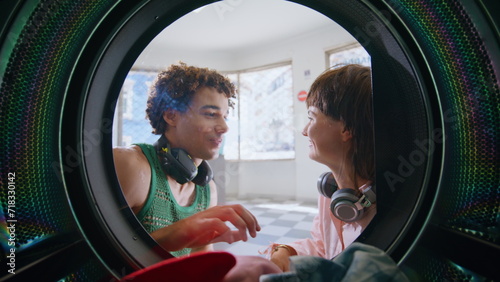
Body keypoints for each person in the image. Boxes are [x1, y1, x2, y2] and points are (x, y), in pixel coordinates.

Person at [113, 62, 262, 257]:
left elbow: (200, 260)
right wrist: (169, 237)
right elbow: (92, 246)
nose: (224, 127)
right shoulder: (131, 165)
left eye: (225, 116)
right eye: (210, 114)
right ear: (171, 116)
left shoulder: (208, 191)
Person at [267, 64, 376, 271]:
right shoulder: (331, 193)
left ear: (346, 128)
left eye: (311, 118)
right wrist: (286, 250)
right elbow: (323, 247)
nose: (304, 131)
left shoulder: (384, 210)